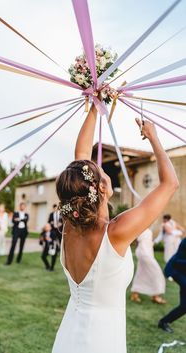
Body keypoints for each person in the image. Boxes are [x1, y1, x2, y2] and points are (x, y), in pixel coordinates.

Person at [51, 100, 179, 353]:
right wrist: (153, 137)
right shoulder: (117, 232)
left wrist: (97, 107)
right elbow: (170, 184)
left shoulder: (70, 226)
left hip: (69, 332)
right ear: (101, 187)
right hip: (101, 339)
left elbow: (80, 158)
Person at [130, 228, 166, 304]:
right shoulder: (142, 227)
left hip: (146, 252)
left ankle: (135, 294)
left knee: (141, 273)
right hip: (144, 253)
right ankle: (156, 295)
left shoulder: (146, 227)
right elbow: (136, 239)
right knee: (157, 272)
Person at [158, 238, 186, 333]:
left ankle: (163, 322)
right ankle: (163, 322)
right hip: (176, 270)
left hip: (183, 272)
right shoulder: (185, 242)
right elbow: (179, 261)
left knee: (184, 306)